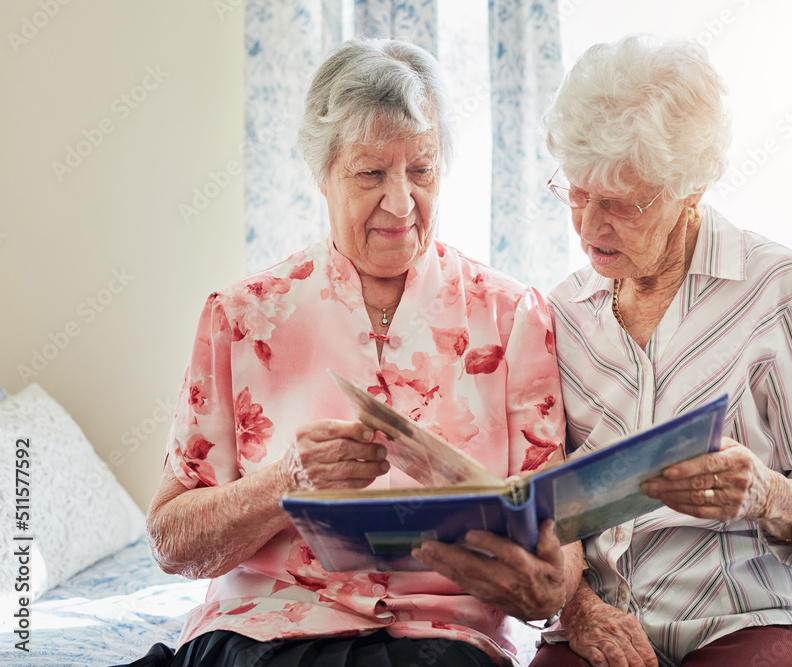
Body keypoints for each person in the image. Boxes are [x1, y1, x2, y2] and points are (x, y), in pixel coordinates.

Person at [143, 38, 581, 667]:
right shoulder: (239, 317)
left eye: (422, 170)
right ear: (323, 174)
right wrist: (283, 483)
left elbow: (556, 550)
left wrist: (546, 583)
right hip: (266, 634)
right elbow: (171, 543)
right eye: (372, 173)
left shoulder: (512, 316)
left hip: (446, 638)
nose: (401, 203)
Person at [528, 35, 792, 667]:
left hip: (758, 616)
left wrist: (771, 495)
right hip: (606, 624)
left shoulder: (777, 290)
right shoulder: (560, 316)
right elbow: (548, 514)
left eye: (621, 203)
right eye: (577, 193)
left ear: (689, 187)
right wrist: (578, 609)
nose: (589, 226)